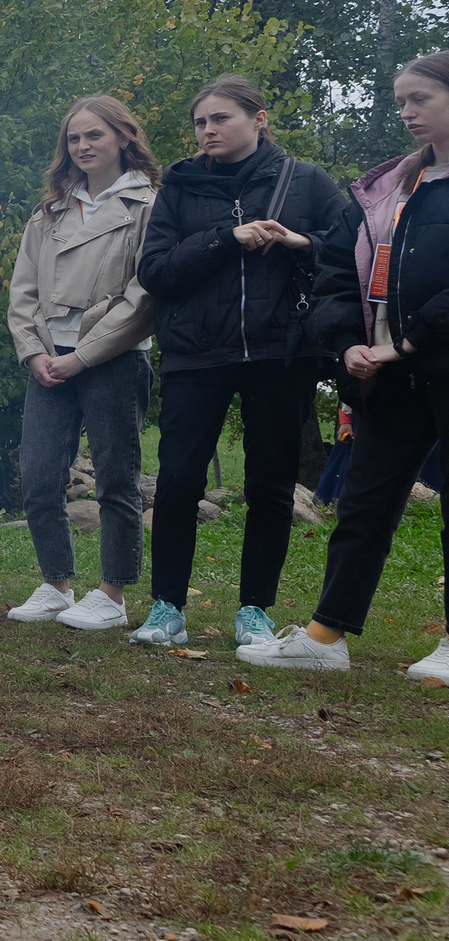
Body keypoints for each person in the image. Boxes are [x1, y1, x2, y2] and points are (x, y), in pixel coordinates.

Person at [248, 51, 449, 673]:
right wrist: (347, 346)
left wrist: (410, 341)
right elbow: (337, 269)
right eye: (399, 102)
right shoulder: (389, 187)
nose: (406, 112)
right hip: (385, 372)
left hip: (430, 359)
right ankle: (325, 639)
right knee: (363, 504)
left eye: (420, 99)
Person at [135, 75, 346, 647]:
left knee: (270, 485)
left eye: (220, 118)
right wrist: (225, 239)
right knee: (178, 481)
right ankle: (166, 608)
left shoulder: (304, 181)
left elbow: (352, 248)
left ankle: (253, 609)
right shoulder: (177, 185)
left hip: (281, 354)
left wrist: (301, 243)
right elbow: (153, 272)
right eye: (200, 122)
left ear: (258, 120)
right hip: (195, 356)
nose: (208, 130)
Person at [5, 97, 160, 629]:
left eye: (94, 135)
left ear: (123, 137)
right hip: (48, 361)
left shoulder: (148, 206)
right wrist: (34, 353)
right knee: (39, 476)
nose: (83, 146)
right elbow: (22, 291)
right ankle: (55, 584)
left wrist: (84, 357)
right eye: (74, 139)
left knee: (116, 478)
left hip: (113, 360)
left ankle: (112, 595)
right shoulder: (48, 212)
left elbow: (145, 296)